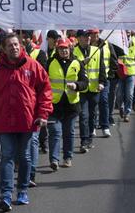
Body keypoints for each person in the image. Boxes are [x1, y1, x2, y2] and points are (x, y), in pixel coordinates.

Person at [0, 33, 52, 212]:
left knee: (25, 157)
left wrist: (43, 114)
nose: (14, 47)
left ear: (21, 45)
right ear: (3, 49)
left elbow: (45, 91)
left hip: (28, 122)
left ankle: (22, 190)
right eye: (10, 45)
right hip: (4, 122)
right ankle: (5, 195)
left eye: (16, 44)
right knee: (7, 156)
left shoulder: (33, 66)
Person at [47, 38, 88, 169]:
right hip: (54, 105)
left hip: (71, 106)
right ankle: (54, 159)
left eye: (66, 48)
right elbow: (43, 81)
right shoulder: (50, 62)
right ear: (57, 49)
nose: (64, 50)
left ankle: (67, 157)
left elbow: (84, 82)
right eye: (61, 48)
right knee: (55, 132)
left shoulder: (77, 63)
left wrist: (76, 85)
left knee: (68, 132)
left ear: (70, 49)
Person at [17, 29, 48, 186]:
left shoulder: (39, 54)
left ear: (30, 39)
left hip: (33, 106)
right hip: (18, 108)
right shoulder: (12, 58)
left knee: (33, 141)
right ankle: (22, 171)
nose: (22, 42)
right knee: (19, 147)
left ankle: (31, 174)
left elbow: (42, 81)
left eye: (24, 39)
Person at [73, 29, 106, 152]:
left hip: (94, 88)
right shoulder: (74, 51)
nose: (87, 38)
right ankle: (84, 141)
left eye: (88, 36)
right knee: (83, 115)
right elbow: (72, 68)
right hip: (81, 89)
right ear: (78, 38)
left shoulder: (96, 50)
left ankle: (90, 138)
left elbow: (101, 67)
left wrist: (102, 82)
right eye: (84, 36)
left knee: (92, 115)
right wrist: (82, 63)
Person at [90, 29, 118, 137]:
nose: (94, 35)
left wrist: (109, 75)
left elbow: (114, 61)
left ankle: (105, 126)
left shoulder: (107, 44)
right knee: (93, 104)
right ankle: (92, 127)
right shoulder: (86, 46)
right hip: (91, 80)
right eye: (92, 33)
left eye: (96, 33)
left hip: (105, 79)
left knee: (104, 101)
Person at [117, 30, 135, 122]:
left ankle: (127, 113)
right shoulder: (118, 43)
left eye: (128, 30)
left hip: (131, 73)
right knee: (119, 94)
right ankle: (121, 107)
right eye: (125, 30)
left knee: (129, 94)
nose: (127, 31)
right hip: (120, 73)